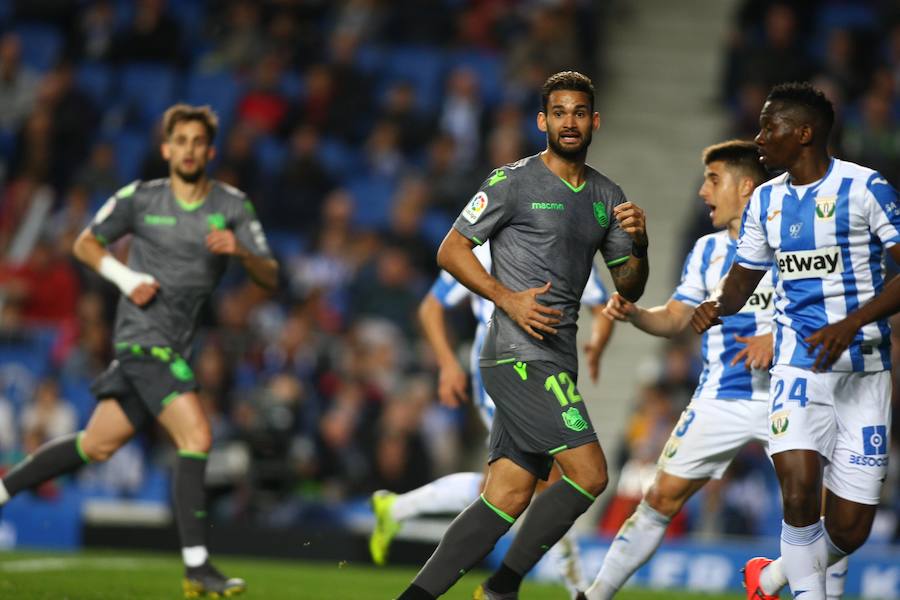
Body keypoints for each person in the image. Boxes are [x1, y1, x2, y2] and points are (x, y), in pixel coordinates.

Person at [0, 104, 278, 597]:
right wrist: (127, 278)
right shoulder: (139, 197)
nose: (189, 150)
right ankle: (197, 567)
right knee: (196, 434)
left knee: (97, 443)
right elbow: (86, 244)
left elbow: (271, 276)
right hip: (140, 339)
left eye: (198, 142)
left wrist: (242, 253)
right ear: (166, 148)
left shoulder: (233, 206)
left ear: (209, 151)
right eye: (181, 141)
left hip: (176, 344)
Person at [396, 70, 649, 600]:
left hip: (557, 357)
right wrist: (506, 297)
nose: (569, 122)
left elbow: (628, 284)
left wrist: (640, 247)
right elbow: (450, 250)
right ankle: (503, 587)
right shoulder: (512, 181)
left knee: (506, 497)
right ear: (543, 121)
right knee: (590, 474)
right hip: (516, 354)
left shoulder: (607, 195)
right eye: (559, 112)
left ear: (595, 121)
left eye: (579, 112)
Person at [581, 139, 845, 599]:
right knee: (660, 498)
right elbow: (677, 317)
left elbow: (832, 313)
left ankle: (781, 580)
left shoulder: (794, 241)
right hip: (720, 396)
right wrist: (637, 314)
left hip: (790, 393)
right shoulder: (705, 251)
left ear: (746, 187)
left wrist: (777, 338)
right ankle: (595, 593)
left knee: (829, 512)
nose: (703, 192)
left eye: (713, 180)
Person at [691, 82, 900, 600]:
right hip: (797, 365)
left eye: (770, 127)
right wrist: (718, 305)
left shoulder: (866, 189)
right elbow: (743, 278)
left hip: (865, 370)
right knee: (798, 487)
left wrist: (851, 323)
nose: (759, 137)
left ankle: (774, 577)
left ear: (803, 133)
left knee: (851, 530)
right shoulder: (765, 200)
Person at [371, 240, 614, 598]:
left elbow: (601, 307)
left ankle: (399, 509)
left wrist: (597, 343)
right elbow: (430, 307)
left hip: (543, 370)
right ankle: (571, 585)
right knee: (553, 480)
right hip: (500, 373)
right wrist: (448, 363)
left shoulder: (566, 243)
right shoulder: (485, 249)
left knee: (511, 486)